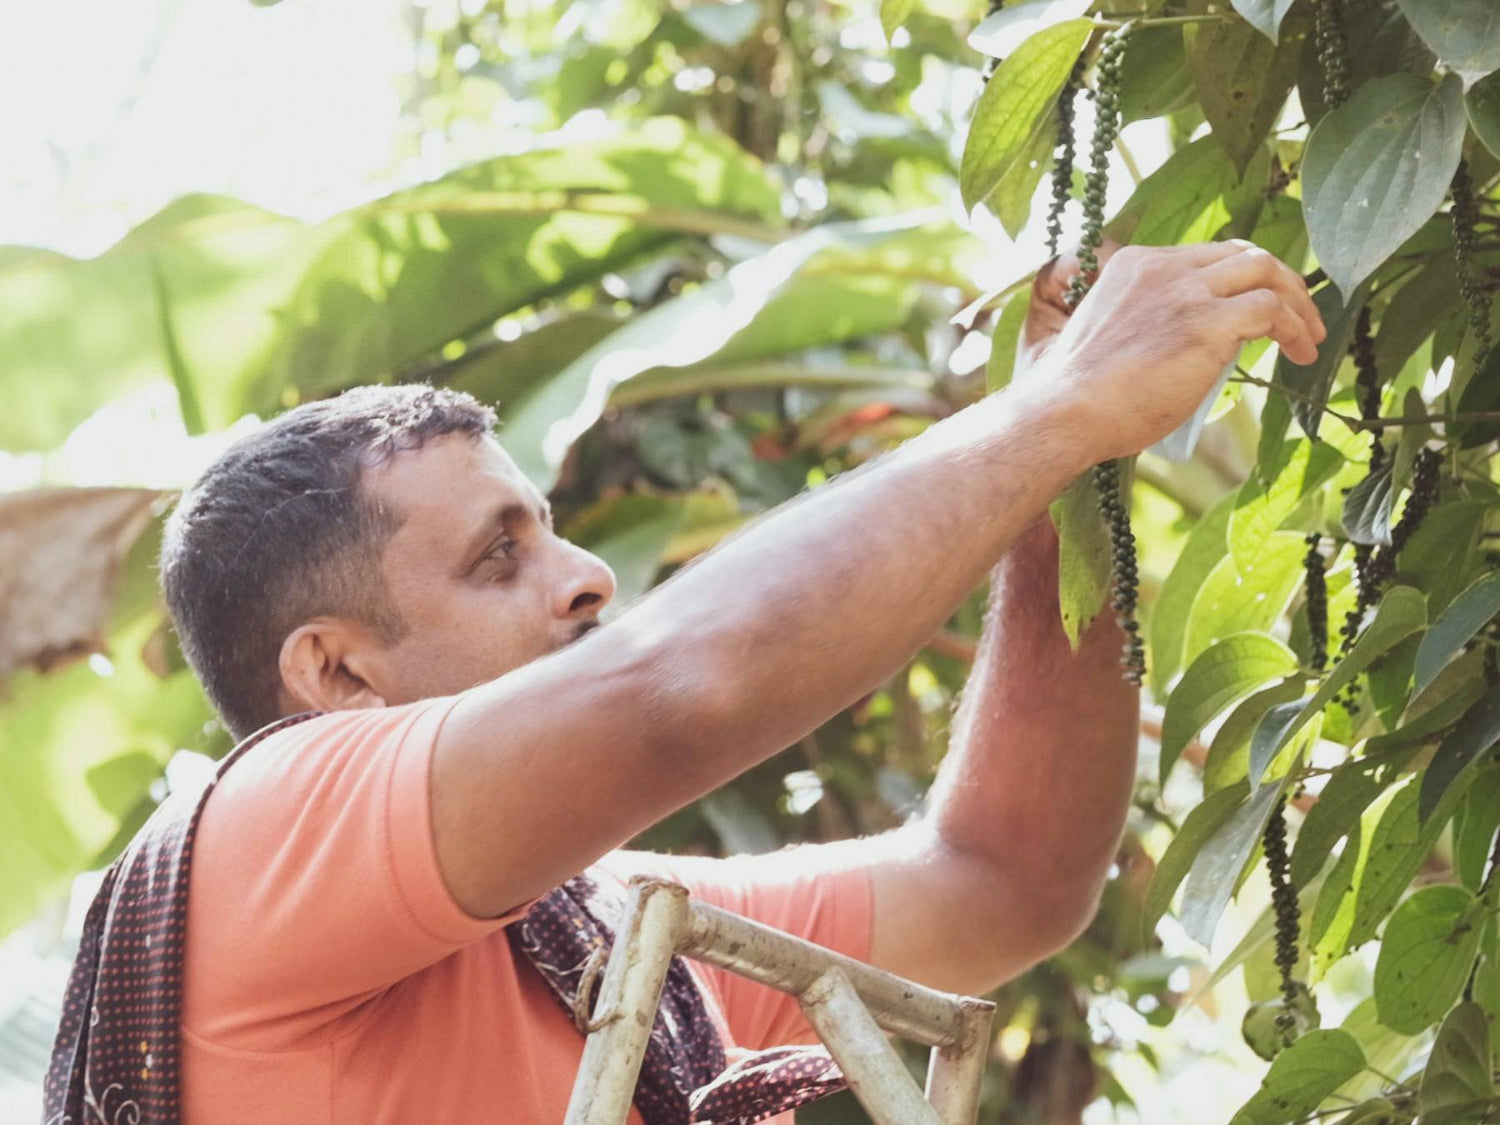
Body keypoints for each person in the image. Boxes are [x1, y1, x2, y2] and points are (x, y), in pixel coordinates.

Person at [45, 239, 1324, 1124]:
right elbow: (687, 684)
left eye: (550, 528)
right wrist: (1065, 402)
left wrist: (1052, 496)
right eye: (501, 557)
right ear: (336, 673)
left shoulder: (590, 950)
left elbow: (1005, 880)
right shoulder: (263, 834)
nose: (590, 574)